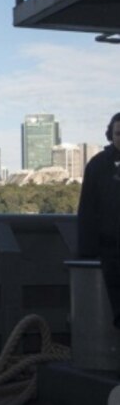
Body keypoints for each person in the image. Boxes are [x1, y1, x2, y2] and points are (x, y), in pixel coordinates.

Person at [77, 113, 120, 328]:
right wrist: (87, 250)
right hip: (110, 250)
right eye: (118, 133)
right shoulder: (98, 166)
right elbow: (87, 209)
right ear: (111, 135)